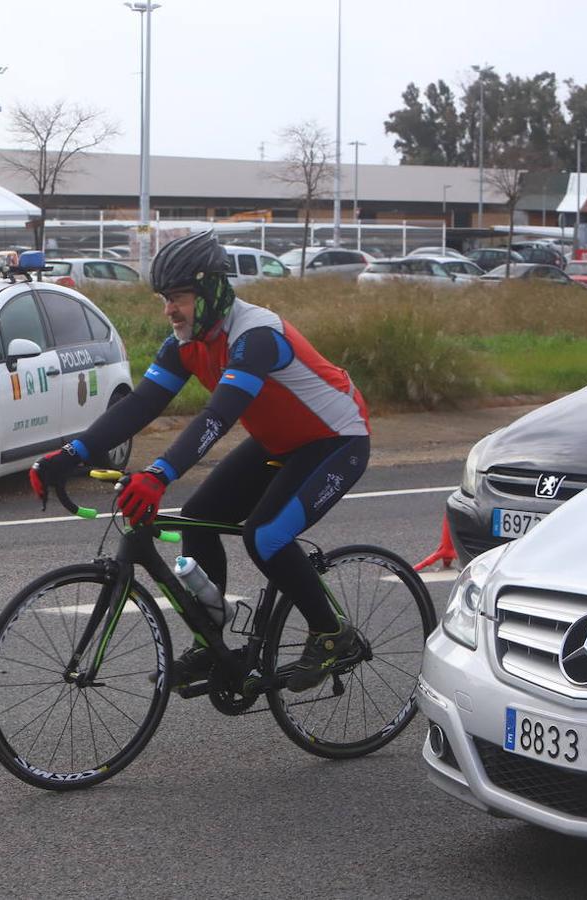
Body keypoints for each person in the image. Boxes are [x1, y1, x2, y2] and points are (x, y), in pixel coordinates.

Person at [29, 230, 371, 692]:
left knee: (266, 536)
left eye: (179, 297)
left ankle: (333, 634)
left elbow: (218, 416)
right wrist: (69, 455)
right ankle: (212, 645)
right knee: (198, 519)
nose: (169, 309)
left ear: (211, 291)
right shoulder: (186, 343)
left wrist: (158, 474)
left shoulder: (256, 337)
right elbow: (140, 406)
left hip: (336, 441)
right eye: (164, 299)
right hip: (279, 441)